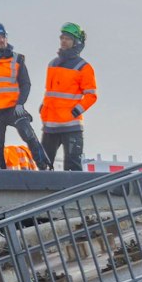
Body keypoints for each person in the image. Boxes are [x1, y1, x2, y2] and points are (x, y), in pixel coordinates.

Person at [0, 23, 47, 169]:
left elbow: (25, 84)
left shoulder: (17, 59)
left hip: (13, 107)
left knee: (28, 133)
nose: (1, 40)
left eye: (3, 36)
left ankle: (44, 165)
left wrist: (20, 103)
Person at [39, 22, 98, 171]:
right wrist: (43, 108)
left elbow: (91, 96)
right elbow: (50, 92)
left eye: (68, 38)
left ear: (76, 42)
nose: (63, 41)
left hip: (71, 126)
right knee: (44, 166)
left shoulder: (84, 67)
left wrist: (77, 110)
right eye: (62, 38)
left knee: (72, 167)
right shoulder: (52, 64)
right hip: (50, 126)